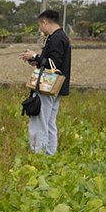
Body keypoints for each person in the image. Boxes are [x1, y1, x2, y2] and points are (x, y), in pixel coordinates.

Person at [19, 9, 71, 155]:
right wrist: (35, 60)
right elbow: (50, 62)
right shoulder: (60, 37)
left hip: (47, 87)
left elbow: (53, 63)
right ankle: (50, 154)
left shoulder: (56, 38)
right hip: (56, 87)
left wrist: (35, 55)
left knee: (39, 122)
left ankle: (39, 155)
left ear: (45, 22)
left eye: (40, 25)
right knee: (49, 122)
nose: (40, 29)